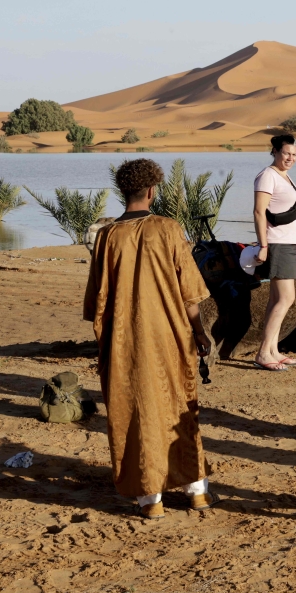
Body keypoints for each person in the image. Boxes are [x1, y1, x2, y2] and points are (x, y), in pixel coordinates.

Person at [83, 158, 218, 519]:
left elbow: (97, 299)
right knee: (179, 409)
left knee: (135, 412)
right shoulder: (169, 229)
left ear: (123, 191)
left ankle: (151, 500)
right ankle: (197, 493)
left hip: (124, 341)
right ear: (153, 190)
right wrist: (200, 332)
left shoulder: (108, 235)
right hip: (169, 338)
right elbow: (190, 292)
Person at [253, 133, 296, 371]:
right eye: (286, 153)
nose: (290, 158)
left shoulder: (286, 177)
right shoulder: (267, 176)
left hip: (289, 244)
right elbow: (258, 212)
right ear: (274, 151)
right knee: (287, 298)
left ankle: (273, 350)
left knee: (277, 298)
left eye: (294, 155)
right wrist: (263, 245)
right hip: (276, 244)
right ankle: (264, 352)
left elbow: (293, 218)